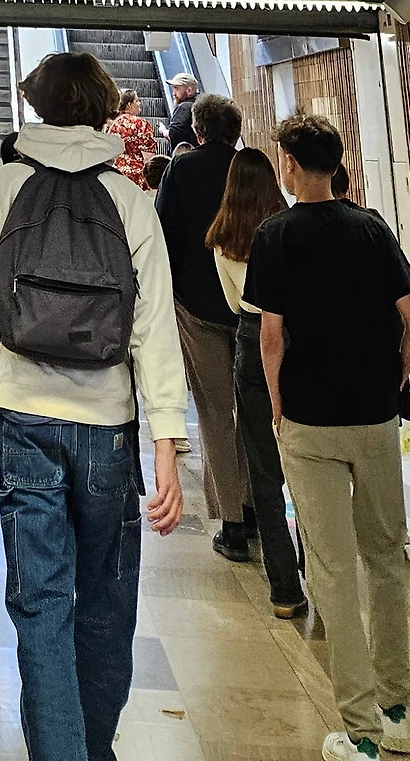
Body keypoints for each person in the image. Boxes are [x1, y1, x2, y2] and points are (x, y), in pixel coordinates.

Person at [0, 51, 186, 761]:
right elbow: (155, 326)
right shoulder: (129, 199)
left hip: (25, 415)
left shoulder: (5, 186)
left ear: (38, 106)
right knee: (106, 604)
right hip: (108, 426)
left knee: (41, 606)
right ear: (105, 109)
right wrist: (166, 443)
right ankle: (91, 747)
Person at [248, 113, 410, 761]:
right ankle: (398, 710)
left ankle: (362, 734)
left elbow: (272, 337)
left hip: (309, 419)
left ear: (292, 165)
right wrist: (394, 377)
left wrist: (277, 403)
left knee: (332, 571)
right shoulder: (373, 227)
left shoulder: (274, 235)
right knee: (387, 558)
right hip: (375, 418)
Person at [205, 147, 307, 618]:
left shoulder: (222, 238)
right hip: (298, 336)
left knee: (263, 471)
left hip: (250, 337)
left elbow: (233, 304)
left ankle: (285, 590)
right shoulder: (288, 230)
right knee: (306, 460)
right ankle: (316, 568)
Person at [155, 91, 251, 560]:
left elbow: (161, 235)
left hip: (196, 306)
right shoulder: (251, 169)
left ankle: (232, 522)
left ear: (197, 131)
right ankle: (256, 506)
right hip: (252, 308)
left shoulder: (181, 169)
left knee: (215, 411)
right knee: (252, 410)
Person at [109, 89, 158, 187]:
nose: (139, 104)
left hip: (115, 176)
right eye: (137, 101)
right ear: (129, 105)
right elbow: (148, 158)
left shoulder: (111, 125)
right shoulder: (141, 124)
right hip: (136, 179)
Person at [165, 73, 199, 151]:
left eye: (176, 88)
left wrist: (164, 131)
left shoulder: (184, 107)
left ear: (189, 90)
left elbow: (173, 134)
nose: (173, 93)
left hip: (185, 154)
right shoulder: (202, 105)